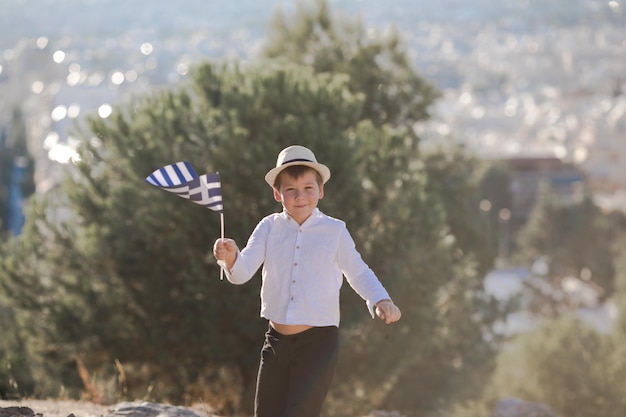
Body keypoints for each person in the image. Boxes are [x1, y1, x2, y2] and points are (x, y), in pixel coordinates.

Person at [213, 145, 402, 417]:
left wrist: (380, 299)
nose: (300, 196)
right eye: (290, 189)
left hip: (319, 344)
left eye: (308, 188)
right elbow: (241, 273)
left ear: (321, 190)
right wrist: (230, 258)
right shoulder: (268, 227)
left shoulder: (335, 231)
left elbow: (358, 272)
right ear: (277, 194)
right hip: (275, 342)